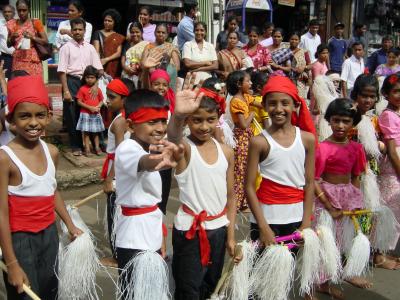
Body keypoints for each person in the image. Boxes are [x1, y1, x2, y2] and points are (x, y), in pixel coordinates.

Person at [0, 75, 82, 299]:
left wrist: (70, 225)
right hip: (19, 240)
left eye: (40, 115)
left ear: (49, 117)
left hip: (49, 235)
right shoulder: (5, 158)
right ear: (12, 120)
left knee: (49, 291)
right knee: (26, 294)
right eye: (24, 116)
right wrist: (12, 262)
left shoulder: (52, 152)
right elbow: (1, 212)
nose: (33, 122)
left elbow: (51, 190)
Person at [167, 73, 240, 299]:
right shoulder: (185, 149)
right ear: (189, 121)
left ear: (218, 117)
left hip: (218, 230)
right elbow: (173, 136)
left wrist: (230, 236)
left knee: (211, 284)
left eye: (210, 119)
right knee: (188, 288)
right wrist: (178, 116)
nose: (204, 126)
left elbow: (231, 196)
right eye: (196, 120)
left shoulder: (226, 152)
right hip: (191, 231)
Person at [246, 76, 316, 298]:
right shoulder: (259, 141)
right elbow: (249, 187)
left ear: (296, 105)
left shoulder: (307, 139)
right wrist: (264, 227)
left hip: (295, 218)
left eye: (285, 103)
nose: (279, 109)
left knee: (284, 273)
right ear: (264, 106)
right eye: (272, 103)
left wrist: (306, 223)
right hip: (266, 219)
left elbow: (310, 182)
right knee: (260, 274)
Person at [114, 89, 181, 299]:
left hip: (150, 234)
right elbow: (146, 164)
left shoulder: (146, 148)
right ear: (132, 125)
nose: (160, 128)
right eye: (152, 122)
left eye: (163, 121)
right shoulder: (127, 148)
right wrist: (160, 160)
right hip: (134, 240)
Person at [313, 98, 370, 290]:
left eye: (346, 121)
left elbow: (356, 176)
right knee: (325, 239)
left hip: (346, 199)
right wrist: (329, 206)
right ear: (328, 120)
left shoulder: (356, 148)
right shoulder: (322, 148)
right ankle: (321, 281)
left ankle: (340, 273)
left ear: (353, 123)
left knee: (342, 240)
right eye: (336, 120)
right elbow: (314, 179)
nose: (340, 125)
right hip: (326, 200)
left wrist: (355, 201)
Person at [57, 17, 103, 156]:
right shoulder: (66, 48)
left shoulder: (90, 48)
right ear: (71, 31)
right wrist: (65, 90)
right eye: (75, 29)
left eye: (80, 29)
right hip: (71, 81)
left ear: (84, 31)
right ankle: (76, 145)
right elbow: (62, 71)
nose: (77, 32)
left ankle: (97, 144)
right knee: (72, 114)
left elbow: (99, 70)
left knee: (93, 113)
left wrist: (95, 85)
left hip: (88, 83)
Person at [101, 78, 133, 266]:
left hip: (117, 175)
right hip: (119, 171)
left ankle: (117, 256)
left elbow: (119, 154)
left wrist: (109, 179)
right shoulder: (124, 118)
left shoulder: (120, 121)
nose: (108, 100)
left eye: (112, 97)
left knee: (115, 214)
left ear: (123, 99)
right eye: (107, 96)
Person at [378, 74, 400, 262]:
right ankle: (380, 255)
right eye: (396, 91)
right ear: (386, 93)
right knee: (389, 212)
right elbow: (392, 151)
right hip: (394, 168)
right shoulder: (388, 115)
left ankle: (385, 251)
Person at [228, 70, 254, 211]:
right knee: (240, 171)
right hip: (241, 137)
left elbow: (258, 102)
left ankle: (243, 202)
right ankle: (237, 203)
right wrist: (252, 114)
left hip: (247, 137)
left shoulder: (246, 97)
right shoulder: (236, 101)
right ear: (239, 84)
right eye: (247, 81)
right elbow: (243, 124)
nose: (250, 83)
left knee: (246, 170)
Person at [6, 0, 48, 76]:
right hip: (18, 62)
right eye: (19, 10)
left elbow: (45, 41)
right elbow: (8, 44)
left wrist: (32, 37)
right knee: (20, 85)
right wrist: (12, 37)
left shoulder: (35, 22)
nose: (21, 13)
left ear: (29, 9)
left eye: (24, 10)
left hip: (33, 62)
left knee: (33, 86)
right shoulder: (12, 24)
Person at [75, 66, 105, 156]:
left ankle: (97, 147)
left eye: (92, 77)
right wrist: (89, 108)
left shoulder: (97, 90)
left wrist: (98, 107)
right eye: (87, 77)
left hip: (96, 113)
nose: (89, 79)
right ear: (84, 77)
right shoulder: (82, 89)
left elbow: (101, 100)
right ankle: (87, 148)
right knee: (86, 133)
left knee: (95, 132)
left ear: (96, 79)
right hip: (85, 114)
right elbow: (78, 102)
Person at [142, 23, 180, 91]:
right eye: (158, 32)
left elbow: (177, 67)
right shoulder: (148, 47)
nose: (160, 34)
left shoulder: (171, 47)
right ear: (154, 33)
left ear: (167, 35)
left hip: (167, 80)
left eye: (163, 32)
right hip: (151, 80)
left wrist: (163, 70)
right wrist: (152, 70)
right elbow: (143, 64)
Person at [92, 9, 125, 79]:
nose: (106, 22)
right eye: (105, 20)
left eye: (109, 21)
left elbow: (118, 53)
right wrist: (99, 64)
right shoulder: (97, 33)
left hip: (112, 66)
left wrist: (106, 59)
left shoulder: (118, 36)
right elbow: (96, 51)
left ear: (114, 22)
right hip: (99, 64)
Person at [121, 21, 149, 88]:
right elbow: (122, 60)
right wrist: (127, 69)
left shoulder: (146, 45)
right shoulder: (127, 44)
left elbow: (147, 62)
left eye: (137, 32)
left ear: (141, 32)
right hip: (126, 74)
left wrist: (137, 69)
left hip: (140, 75)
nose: (135, 34)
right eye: (132, 32)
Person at [289, 32, 312, 99]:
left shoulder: (304, 52)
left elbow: (310, 65)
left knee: (299, 100)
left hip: (300, 81)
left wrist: (304, 67)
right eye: (292, 39)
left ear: (299, 41)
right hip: (288, 80)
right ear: (289, 40)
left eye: (296, 39)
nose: (294, 41)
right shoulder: (285, 51)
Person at [0, 5, 15, 79]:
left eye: (9, 12)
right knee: (6, 80)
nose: (7, 13)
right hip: (5, 58)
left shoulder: (18, 23)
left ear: (14, 13)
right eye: (5, 12)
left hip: (18, 58)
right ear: (2, 13)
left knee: (17, 79)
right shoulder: (0, 24)